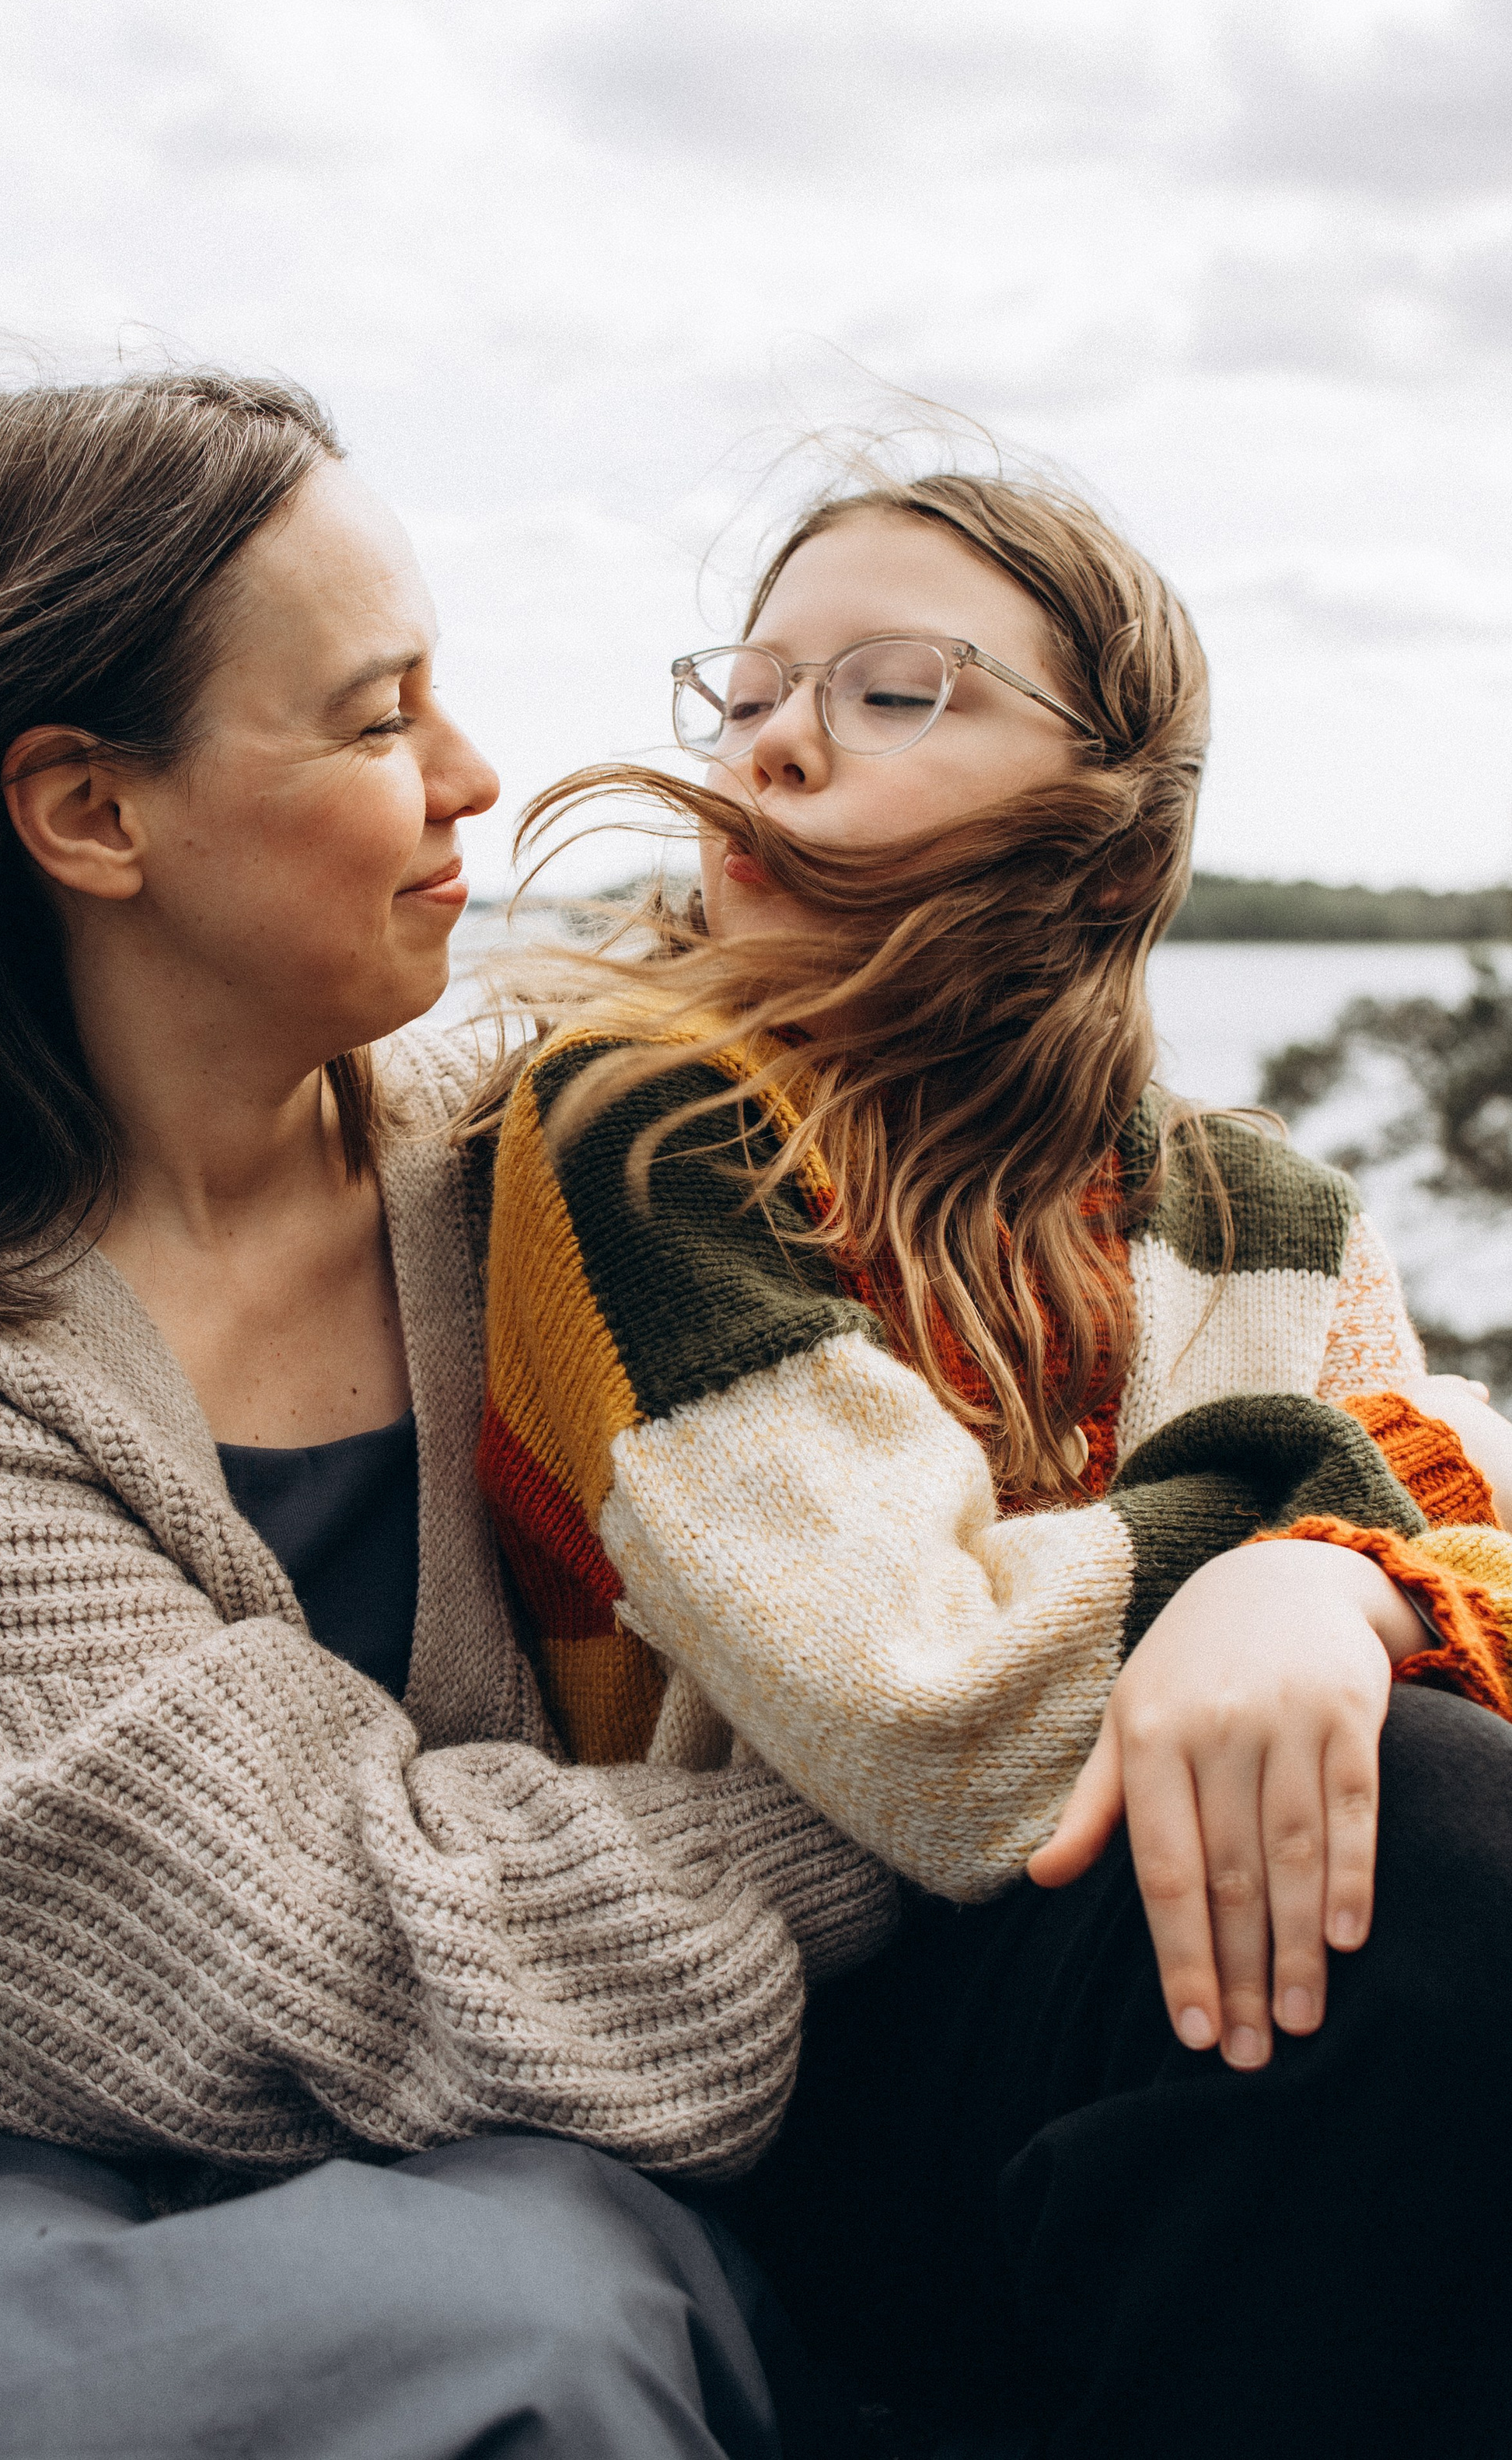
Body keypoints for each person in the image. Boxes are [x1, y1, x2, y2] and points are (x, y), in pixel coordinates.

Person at [0, 373, 900, 2460]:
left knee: (548, 2294)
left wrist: (1279, 1573)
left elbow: (1089, 1284)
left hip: (537, 2176)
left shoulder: (558, 1171)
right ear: (92, 812)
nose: (472, 775)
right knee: (517, 2334)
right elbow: (303, 1947)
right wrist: (920, 1800)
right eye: (375, 720)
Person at [475, 470, 1512, 2458]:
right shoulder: (641, 1134)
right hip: (804, 2058)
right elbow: (927, 1711)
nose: (772, 744)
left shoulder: (1259, 1210)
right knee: (1432, 1839)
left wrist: (1329, 1579)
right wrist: (1315, 1521)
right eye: (747, 692)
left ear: (1108, 828)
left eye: (888, 693)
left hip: (1190, 2013)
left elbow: (1462, 1570)